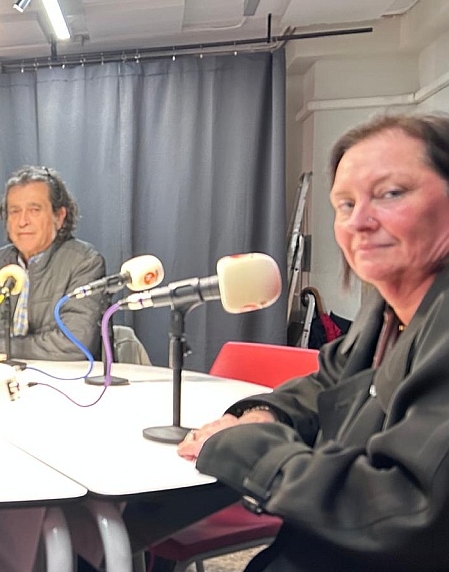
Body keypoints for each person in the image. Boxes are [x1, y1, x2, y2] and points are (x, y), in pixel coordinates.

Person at [177, 113, 449, 571]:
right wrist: (265, 412)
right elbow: (328, 383)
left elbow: (405, 508)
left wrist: (244, 445)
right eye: (345, 204)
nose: (359, 221)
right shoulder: (384, 310)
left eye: (391, 193)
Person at [0, 165, 106, 360]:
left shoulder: (84, 262)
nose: (22, 221)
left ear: (59, 217)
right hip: (1, 375)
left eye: (34, 210)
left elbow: (74, 344)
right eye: (14, 211)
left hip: (63, 376)